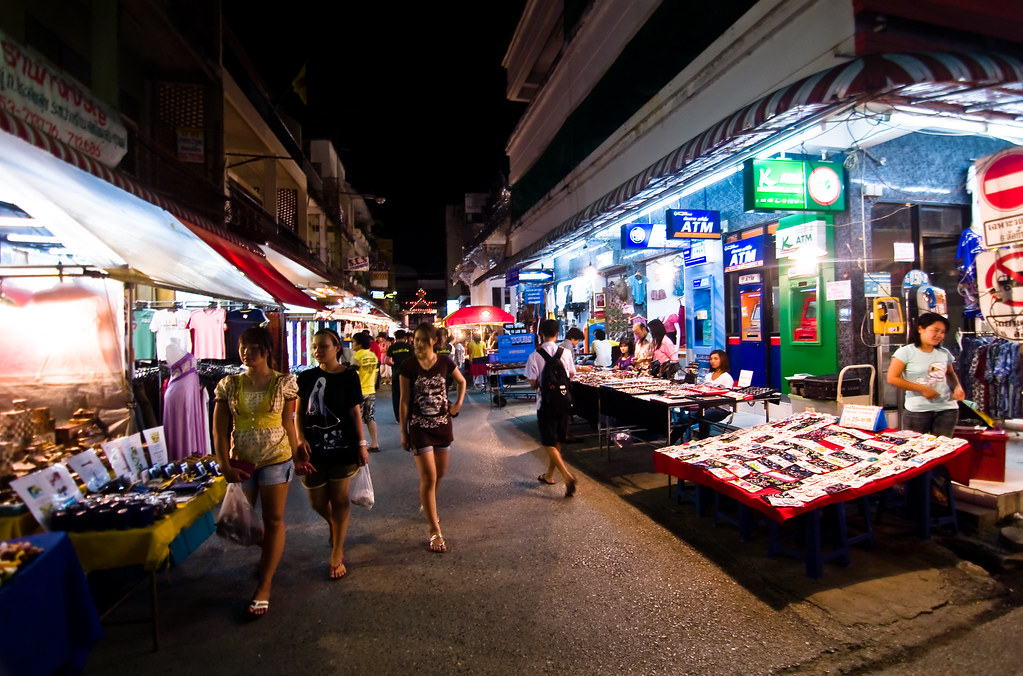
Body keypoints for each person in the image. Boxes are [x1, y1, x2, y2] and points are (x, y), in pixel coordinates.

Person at [213, 326, 300, 617]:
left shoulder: (283, 383)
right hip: (243, 461)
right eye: (243, 348)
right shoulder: (229, 385)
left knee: (274, 520)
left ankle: (264, 585)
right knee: (241, 523)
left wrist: (298, 452)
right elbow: (220, 429)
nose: (246, 353)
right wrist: (224, 463)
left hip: (277, 457)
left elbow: (288, 423)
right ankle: (272, 549)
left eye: (252, 348)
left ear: (266, 350)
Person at [295, 328, 368, 580]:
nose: (317, 351)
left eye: (323, 346)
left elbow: (354, 412)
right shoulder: (305, 377)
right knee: (316, 501)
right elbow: (299, 412)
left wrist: (361, 443)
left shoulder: (349, 376)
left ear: (337, 347)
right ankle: (335, 526)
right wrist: (299, 438)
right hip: (312, 448)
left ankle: (337, 552)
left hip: (342, 446)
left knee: (339, 499)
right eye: (314, 347)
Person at [400, 322, 467, 553]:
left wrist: (458, 404)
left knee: (440, 475)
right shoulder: (408, 365)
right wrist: (403, 431)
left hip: (442, 425)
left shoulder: (445, 361)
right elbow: (405, 400)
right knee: (428, 478)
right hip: (419, 427)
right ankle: (434, 529)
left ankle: (428, 504)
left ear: (433, 341)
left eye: (421, 339)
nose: (417, 343)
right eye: (415, 339)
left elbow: (461, 381)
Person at [887, 312, 965, 437]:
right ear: (920, 329)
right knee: (915, 448)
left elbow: (950, 374)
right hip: (917, 410)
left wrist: (957, 387)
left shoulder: (944, 353)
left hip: (947, 409)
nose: (939, 335)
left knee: (942, 449)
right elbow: (892, 378)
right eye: (935, 330)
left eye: (943, 332)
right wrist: (923, 389)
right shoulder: (905, 352)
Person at [525, 318, 578, 498]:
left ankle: (567, 476)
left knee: (548, 442)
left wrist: (541, 382)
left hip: (545, 404)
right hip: (564, 402)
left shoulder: (535, 355)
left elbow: (533, 384)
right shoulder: (566, 353)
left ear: (541, 334)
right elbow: (570, 375)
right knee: (557, 441)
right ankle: (549, 475)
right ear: (557, 334)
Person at [690, 349, 735, 440]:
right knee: (686, 417)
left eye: (715, 359)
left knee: (703, 417)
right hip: (706, 406)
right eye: (711, 359)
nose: (712, 361)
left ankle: (703, 442)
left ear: (722, 360)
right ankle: (670, 443)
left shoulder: (726, 377)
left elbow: (727, 397)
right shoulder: (708, 376)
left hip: (721, 409)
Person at [352, 332, 381, 452]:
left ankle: (358, 443)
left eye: (353, 342)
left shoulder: (357, 356)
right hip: (370, 390)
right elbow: (375, 375)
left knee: (355, 418)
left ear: (359, 344)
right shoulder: (373, 356)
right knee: (370, 417)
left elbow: (354, 376)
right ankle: (374, 443)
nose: (352, 344)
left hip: (358, 391)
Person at [387, 329, 413, 421]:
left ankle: (399, 417)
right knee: (408, 395)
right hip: (408, 375)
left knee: (397, 396)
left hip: (396, 374)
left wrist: (394, 365)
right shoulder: (409, 347)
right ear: (405, 337)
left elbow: (387, 361)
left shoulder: (392, 347)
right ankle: (409, 415)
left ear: (395, 337)